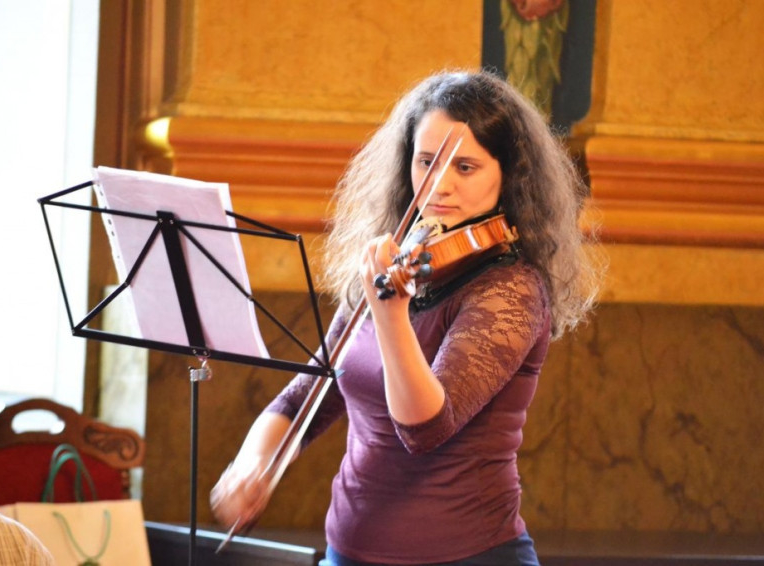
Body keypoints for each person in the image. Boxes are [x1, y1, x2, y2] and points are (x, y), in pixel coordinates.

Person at [210, 69, 601, 565]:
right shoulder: (398, 263)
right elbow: (303, 398)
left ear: (507, 176)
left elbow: (425, 428)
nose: (439, 185)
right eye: (426, 162)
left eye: (465, 167)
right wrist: (251, 467)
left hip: (468, 556)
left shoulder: (512, 289)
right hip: (347, 552)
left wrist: (391, 315)